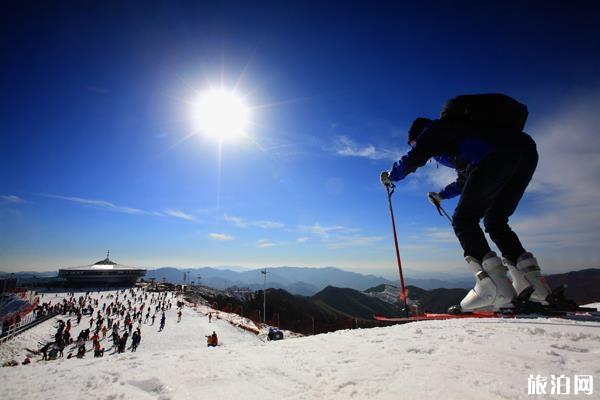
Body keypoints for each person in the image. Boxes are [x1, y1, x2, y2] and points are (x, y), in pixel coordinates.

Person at [380, 94, 552, 313]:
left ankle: (494, 290)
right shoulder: (470, 135)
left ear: (418, 135)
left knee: (464, 220)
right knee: (496, 221)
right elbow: (467, 179)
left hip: (498, 156)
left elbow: (416, 155)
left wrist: (391, 176)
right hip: (524, 151)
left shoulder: (437, 130)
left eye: (412, 141)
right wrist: (441, 196)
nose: (416, 145)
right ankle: (536, 288)